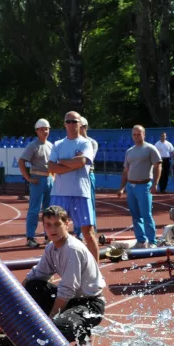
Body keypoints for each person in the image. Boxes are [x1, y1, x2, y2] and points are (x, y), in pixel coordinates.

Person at [0, 206, 106, 346]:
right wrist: (15, 303)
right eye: (48, 225)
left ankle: (9, 341)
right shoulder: (51, 247)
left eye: (57, 224)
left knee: (56, 331)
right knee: (32, 286)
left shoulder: (73, 249)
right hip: (71, 301)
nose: (53, 229)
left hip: (89, 304)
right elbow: (37, 274)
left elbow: (67, 290)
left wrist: (49, 322)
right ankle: (23, 330)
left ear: (67, 224)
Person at [48, 111, 99, 262]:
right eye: (68, 121)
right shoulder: (58, 144)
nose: (71, 124)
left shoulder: (86, 143)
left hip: (80, 193)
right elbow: (51, 167)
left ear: (80, 124)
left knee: (88, 233)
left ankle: (95, 271)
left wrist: (62, 162)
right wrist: (72, 164)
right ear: (64, 124)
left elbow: (82, 162)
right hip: (59, 193)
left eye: (74, 121)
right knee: (55, 232)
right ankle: (55, 268)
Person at [118, 125, 162, 248]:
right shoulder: (130, 151)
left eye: (139, 134)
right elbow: (126, 170)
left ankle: (152, 241)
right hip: (130, 186)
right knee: (135, 215)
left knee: (146, 214)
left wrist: (155, 184)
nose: (136, 136)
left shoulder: (150, 149)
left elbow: (158, 166)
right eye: (134, 134)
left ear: (144, 134)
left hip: (144, 186)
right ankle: (141, 240)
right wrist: (122, 187)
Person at [19, 119, 55, 249]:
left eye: (47, 129)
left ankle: (48, 235)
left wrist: (54, 177)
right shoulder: (33, 146)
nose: (45, 131)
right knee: (34, 209)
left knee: (49, 210)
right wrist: (28, 178)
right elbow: (21, 161)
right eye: (42, 129)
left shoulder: (51, 145)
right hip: (37, 179)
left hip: (50, 179)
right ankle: (30, 237)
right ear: (37, 131)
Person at [79, 117, 99, 219]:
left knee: (89, 202)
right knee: (78, 204)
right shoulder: (74, 142)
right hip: (77, 174)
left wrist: (79, 157)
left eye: (80, 126)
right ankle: (78, 231)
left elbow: (88, 159)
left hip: (88, 173)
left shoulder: (92, 143)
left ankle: (92, 229)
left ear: (85, 127)